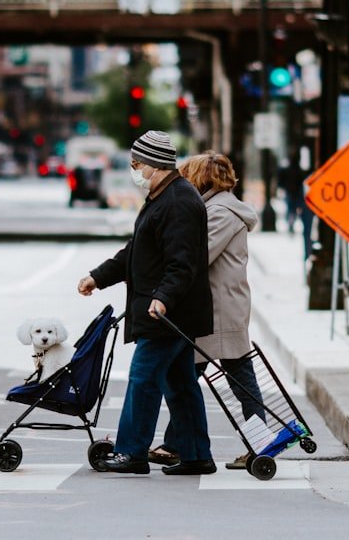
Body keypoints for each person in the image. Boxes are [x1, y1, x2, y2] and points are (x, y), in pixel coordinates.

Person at [77, 130, 216, 476]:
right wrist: (99, 276)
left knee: (143, 379)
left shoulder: (179, 201)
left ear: (155, 164)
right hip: (168, 311)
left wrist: (163, 299)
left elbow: (182, 264)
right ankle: (197, 454)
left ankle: (131, 451)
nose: (134, 170)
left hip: (167, 314)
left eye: (137, 164)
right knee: (180, 384)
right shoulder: (162, 197)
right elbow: (137, 252)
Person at [149, 151, 264, 471]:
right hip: (219, 306)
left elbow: (198, 257)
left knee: (226, 377)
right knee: (203, 375)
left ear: (201, 179)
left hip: (220, 310)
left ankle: (257, 444)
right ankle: (177, 443)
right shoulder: (215, 208)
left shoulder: (220, 212)